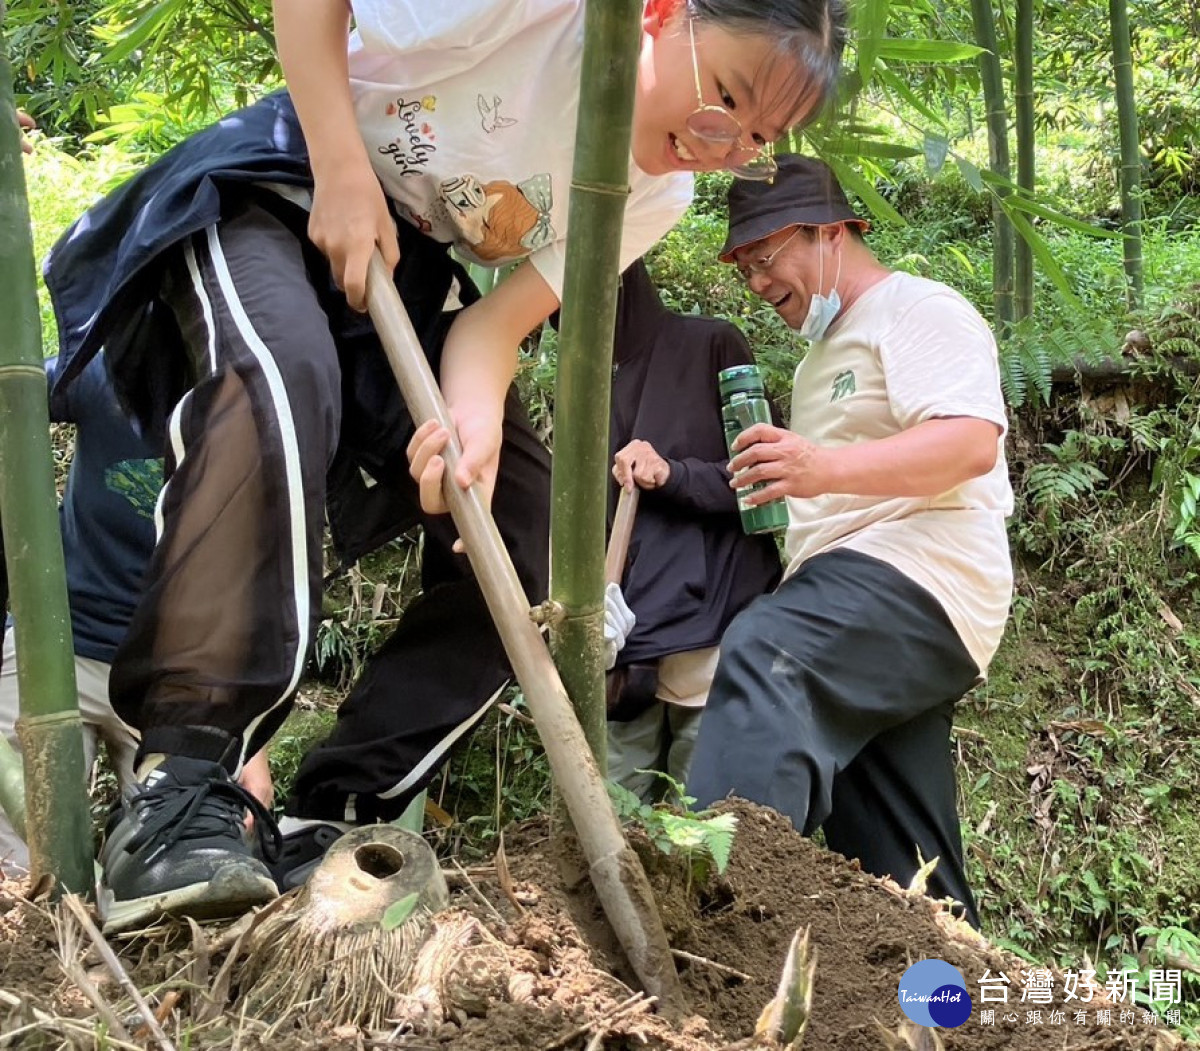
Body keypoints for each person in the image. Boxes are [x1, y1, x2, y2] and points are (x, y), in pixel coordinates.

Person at [43, 0, 846, 929]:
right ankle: (179, 790)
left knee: (523, 526)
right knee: (280, 373)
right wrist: (344, 169)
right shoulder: (533, 11)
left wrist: (472, 415)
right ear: (661, 15)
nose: (723, 144)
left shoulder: (655, 194)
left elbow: (491, 327)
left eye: (757, 137)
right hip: (281, 185)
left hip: (415, 283)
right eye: (729, 100)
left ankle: (341, 809)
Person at [686, 156, 1013, 928]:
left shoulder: (916, 309)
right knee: (899, 864)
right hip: (873, 607)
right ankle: (950, 1008)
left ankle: (711, 911)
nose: (757, 284)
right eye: (742, 270)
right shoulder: (817, 360)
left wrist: (818, 465)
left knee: (770, 654)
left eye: (764, 257)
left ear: (829, 231)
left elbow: (969, 441)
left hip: (916, 573)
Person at [0, 356, 273, 871]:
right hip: (56, 644)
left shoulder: (256, 401)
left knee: (186, 853)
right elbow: (16, 385)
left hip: (176, 675)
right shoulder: (106, 370)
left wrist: (247, 737)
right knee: (21, 857)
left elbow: (256, 585)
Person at [601, 260, 781, 803]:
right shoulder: (588, 378)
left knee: (699, 824)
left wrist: (671, 474)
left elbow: (765, 482)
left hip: (713, 628)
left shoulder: (712, 345)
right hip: (627, 639)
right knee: (615, 820)